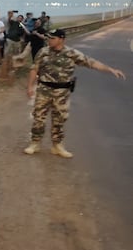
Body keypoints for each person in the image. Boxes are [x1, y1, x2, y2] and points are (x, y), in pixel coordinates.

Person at [24, 29, 125, 158]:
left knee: (59, 120)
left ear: (61, 39)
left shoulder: (71, 53)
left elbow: (91, 63)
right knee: (38, 118)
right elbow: (34, 69)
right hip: (44, 90)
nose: (49, 40)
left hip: (62, 93)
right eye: (48, 38)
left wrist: (110, 69)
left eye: (52, 38)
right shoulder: (43, 52)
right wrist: (30, 86)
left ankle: (57, 146)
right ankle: (35, 143)